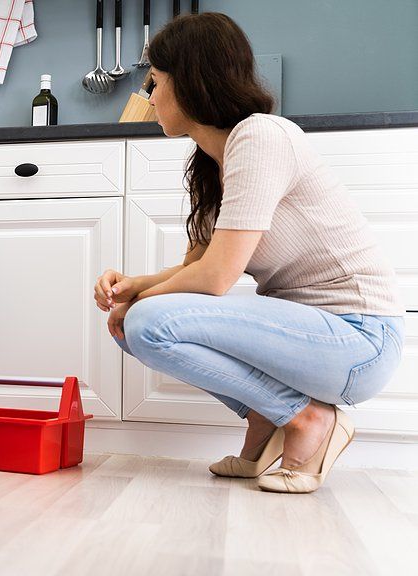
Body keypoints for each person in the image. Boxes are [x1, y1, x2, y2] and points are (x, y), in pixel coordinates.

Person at [94, 13, 404, 494]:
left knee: (149, 322)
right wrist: (136, 286)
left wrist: (143, 301)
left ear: (191, 81)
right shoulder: (214, 161)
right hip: (312, 336)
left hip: (359, 337)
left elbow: (216, 278)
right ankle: (267, 426)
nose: (149, 98)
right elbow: (196, 269)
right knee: (133, 324)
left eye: (155, 82)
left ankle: (308, 420)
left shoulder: (260, 136)